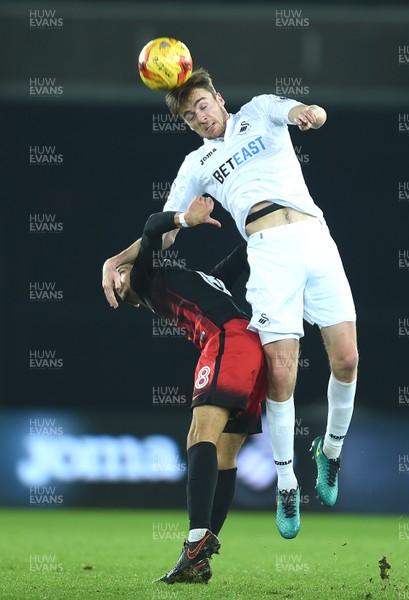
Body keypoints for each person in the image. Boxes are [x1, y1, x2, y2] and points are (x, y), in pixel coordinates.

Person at [103, 68, 359, 538]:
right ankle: (286, 484)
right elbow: (164, 230)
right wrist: (118, 259)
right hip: (267, 250)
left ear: (219, 99)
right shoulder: (196, 165)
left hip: (314, 237)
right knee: (281, 372)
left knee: (346, 359)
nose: (198, 117)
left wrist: (312, 114)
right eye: (188, 116)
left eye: (201, 106)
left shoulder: (260, 111)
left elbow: (303, 110)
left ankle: (331, 452)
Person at [103, 196, 267, 583]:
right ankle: (199, 557)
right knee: (225, 456)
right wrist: (261, 233)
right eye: (118, 278)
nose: (121, 278)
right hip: (253, 349)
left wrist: (183, 219)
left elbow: (151, 227)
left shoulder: (146, 277)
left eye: (122, 273)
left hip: (228, 340)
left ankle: (195, 541)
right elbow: (237, 262)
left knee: (199, 434)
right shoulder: (179, 283)